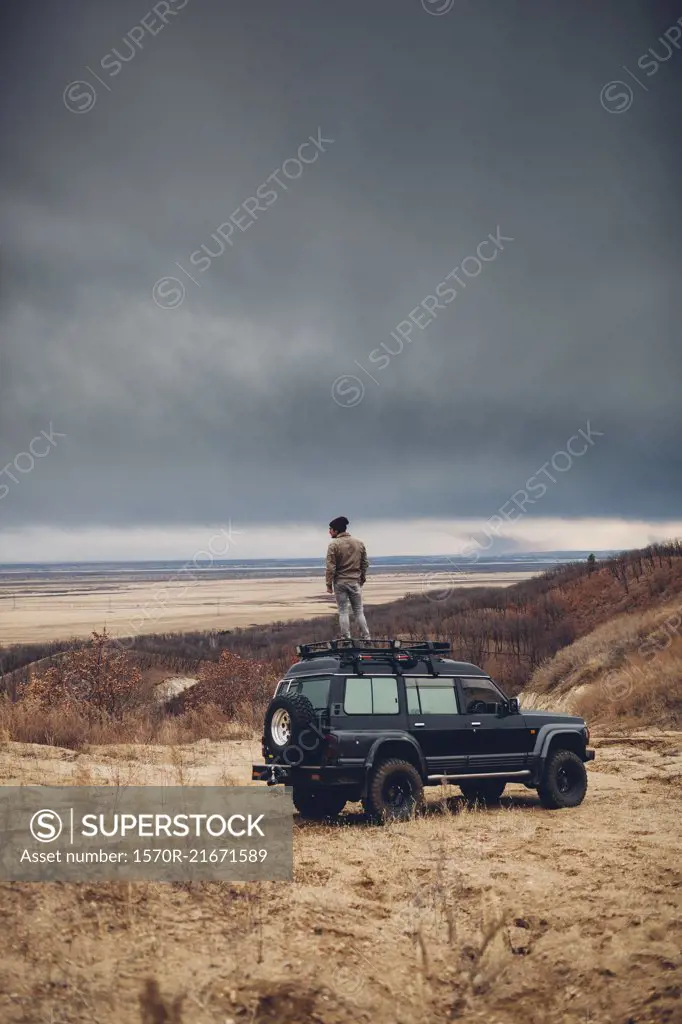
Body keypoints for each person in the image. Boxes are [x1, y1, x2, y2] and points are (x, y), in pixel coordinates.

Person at [325, 516, 371, 640]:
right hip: (355, 582)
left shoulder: (333, 545)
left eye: (330, 529)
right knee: (359, 611)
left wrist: (328, 585)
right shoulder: (359, 543)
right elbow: (365, 563)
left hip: (340, 582)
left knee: (343, 611)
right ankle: (366, 637)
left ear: (336, 530)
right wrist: (362, 578)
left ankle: (346, 639)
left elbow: (331, 567)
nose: (329, 532)